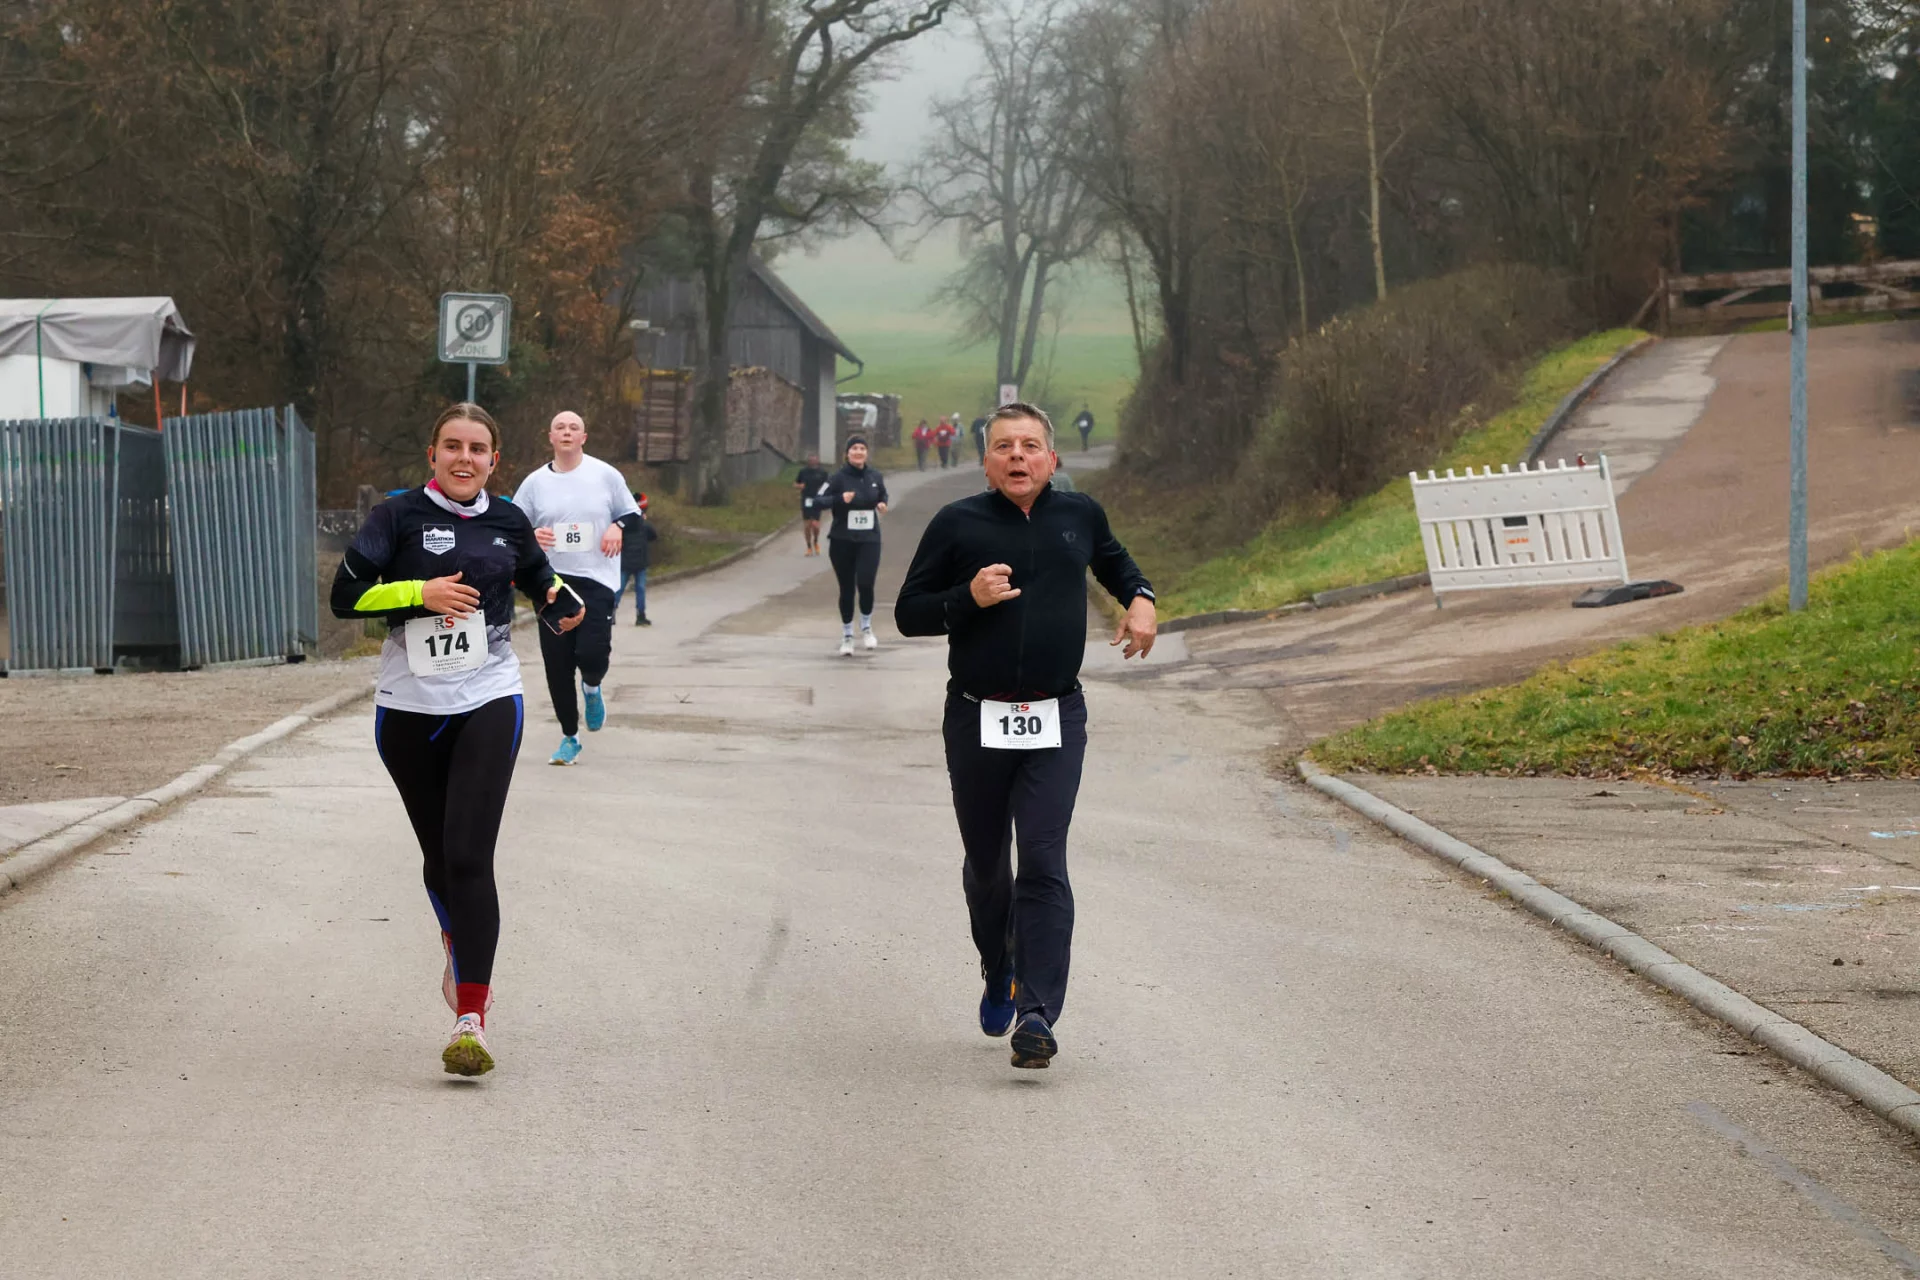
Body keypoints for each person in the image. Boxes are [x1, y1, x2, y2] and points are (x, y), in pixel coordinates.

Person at [895, 402, 1157, 1070]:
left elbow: (1119, 567)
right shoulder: (957, 523)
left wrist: (1142, 600)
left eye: (1031, 445)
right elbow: (908, 613)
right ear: (986, 463)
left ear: (1052, 458)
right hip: (976, 716)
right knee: (989, 867)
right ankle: (999, 967)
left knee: (1042, 857)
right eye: (1005, 446)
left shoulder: (1080, 515)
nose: (1018, 456)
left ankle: (1037, 1013)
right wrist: (967, 598)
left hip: (1055, 716)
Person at [330, 401, 584, 1077]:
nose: (464, 458)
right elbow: (345, 597)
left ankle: (470, 1017)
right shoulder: (396, 516)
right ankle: (456, 936)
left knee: (470, 855)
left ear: (494, 460)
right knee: (439, 857)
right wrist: (420, 593)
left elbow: (536, 576)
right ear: (433, 454)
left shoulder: (509, 519)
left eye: (477, 449)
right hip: (408, 707)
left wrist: (559, 600)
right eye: (452, 446)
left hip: (488, 694)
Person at [511, 410, 641, 766]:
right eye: (560, 427)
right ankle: (570, 737)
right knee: (558, 665)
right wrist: (532, 535)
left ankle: (592, 687)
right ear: (550, 437)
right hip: (551, 581)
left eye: (574, 428)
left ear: (583, 437)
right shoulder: (535, 483)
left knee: (591, 654)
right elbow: (512, 526)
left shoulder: (605, 475)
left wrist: (617, 527)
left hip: (596, 579)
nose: (566, 432)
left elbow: (633, 515)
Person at [814, 435, 889, 655]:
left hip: (869, 539)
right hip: (842, 540)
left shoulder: (874, 476)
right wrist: (840, 499)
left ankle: (866, 627)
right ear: (847, 453)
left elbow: (882, 494)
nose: (858, 452)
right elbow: (818, 500)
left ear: (866, 453)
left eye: (862, 448)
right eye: (854, 448)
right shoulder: (837, 478)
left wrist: (882, 503)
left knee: (865, 582)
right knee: (846, 588)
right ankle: (847, 635)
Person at [614, 492, 658, 625]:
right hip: (640, 562)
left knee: (619, 589)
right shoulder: (644, 525)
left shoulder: (623, 524)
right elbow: (654, 536)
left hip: (625, 561)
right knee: (640, 590)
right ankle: (641, 615)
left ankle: (611, 613)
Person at [795, 452, 831, 556]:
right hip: (806, 499)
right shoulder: (803, 471)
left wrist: (823, 491)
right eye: (810, 460)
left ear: (817, 461)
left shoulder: (822, 472)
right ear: (808, 461)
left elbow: (828, 484)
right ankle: (809, 547)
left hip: (817, 499)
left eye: (814, 460)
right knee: (807, 525)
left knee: (815, 525)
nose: (812, 462)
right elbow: (796, 483)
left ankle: (815, 541)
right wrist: (799, 486)